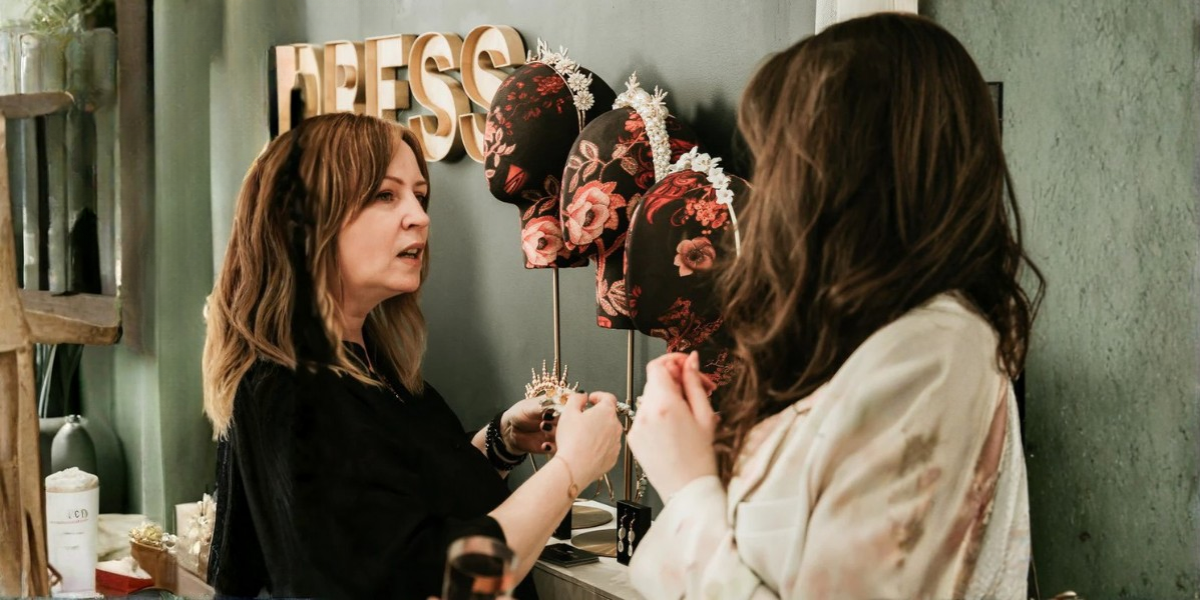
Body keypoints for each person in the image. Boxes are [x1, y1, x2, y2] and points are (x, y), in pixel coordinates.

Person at [627, 13, 1044, 599]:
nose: (768, 191)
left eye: (779, 163)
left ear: (842, 175)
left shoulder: (934, 352)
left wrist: (689, 486)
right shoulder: (873, 347)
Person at [202, 112, 623, 599]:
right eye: (386, 195)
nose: (419, 216)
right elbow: (450, 581)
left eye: (419, 196)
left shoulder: (364, 363)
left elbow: (388, 510)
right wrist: (573, 468)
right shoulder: (299, 391)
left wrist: (499, 442)